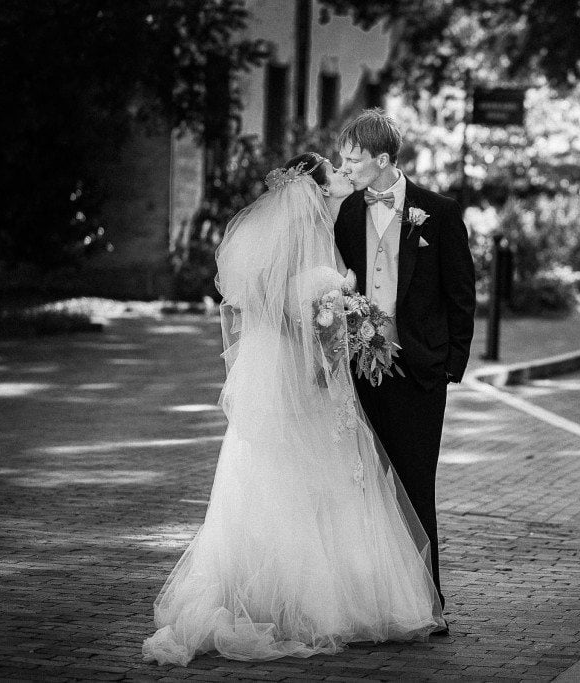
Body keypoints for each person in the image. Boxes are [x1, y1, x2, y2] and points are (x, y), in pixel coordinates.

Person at [142, 153, 445, 667]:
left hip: (316, 380)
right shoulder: (297, 247)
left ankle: (314, 595)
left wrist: (341, 328)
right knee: (298, 479)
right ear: (316, 192)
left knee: (312, 481)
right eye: (333, 178)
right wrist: (327, 339)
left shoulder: (320, 236)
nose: (340, 183)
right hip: (304, 381)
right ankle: (307, 603)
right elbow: (281, 312)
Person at [333, 109, 476, 623]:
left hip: (419, 373)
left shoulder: (439, 213)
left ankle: (426, 604)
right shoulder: (345, 214)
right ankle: (370, 604)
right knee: (364, 486)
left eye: (354, 160)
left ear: (384, 159)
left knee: (416, 487)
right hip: (358, 372)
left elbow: (462, 296)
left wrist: (448, 367)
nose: (344, 167)